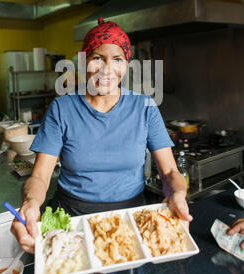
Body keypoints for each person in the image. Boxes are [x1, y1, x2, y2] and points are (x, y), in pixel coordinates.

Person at [11, 17, 192, 254]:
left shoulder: (145, 107)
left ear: (126, 64)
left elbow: (169, 173)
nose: (107, 69)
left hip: (131, 221)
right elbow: (40, 177)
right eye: (97, 58)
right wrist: (31, 202)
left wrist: (177, 193)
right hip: (72, 221)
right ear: (84, 59)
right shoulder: (62, 109)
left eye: (117, 59)